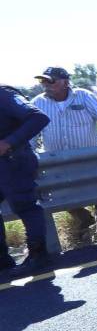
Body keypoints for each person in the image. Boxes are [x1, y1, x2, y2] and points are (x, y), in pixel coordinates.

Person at [32, 66, 97, 245]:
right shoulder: (38, 103)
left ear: (65, 82)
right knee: (64, 196)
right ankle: (84, 221)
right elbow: (31, 130)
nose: (45, 85)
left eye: (50, 80)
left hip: (89, 158)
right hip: (58, 161)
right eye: (42, 81)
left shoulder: (83, 96)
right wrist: (30, 151)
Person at [0, 85, 52, 275]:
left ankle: (39, 256)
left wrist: (9, 142)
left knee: (26, 207)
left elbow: (39, 118)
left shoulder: (4, 95)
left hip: (13, 161)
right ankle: (3, 261)